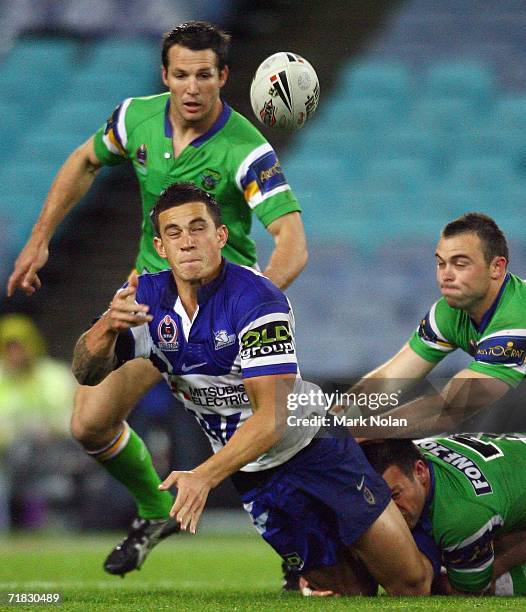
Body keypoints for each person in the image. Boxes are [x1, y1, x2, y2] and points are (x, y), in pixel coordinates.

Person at [7, 21, 308, 575]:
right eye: (180, 75)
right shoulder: (135, 117)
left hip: (220, 310)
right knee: (89, 423)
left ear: (223, 77)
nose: (191, 88)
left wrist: (251, 304)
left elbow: (291, 240)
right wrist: (40, 236)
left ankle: (303, 549)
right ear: (164, 76)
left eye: (204, 76)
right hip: (149, 299)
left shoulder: (246, 150)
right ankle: (154, 509)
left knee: (260, 437)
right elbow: (84, 160)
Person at [72, 182, 431, 596]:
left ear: (221, 236)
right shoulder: (145, 300)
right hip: (254, 475)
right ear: (160, 247)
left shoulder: (258, 300)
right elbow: (86, 372)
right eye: (174, 233)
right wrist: (105, 329)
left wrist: (202, 477)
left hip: (315, 448)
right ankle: (337, 557)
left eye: (197, 228)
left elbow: (271, 419)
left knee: (410, 582)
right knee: (347, 593)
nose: (187, 242)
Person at [341, 212, 526, 438]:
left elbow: (446, 409)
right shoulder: (447, 313)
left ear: (497, 267)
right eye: (441, 263)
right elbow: (388, 380)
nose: (445, 275)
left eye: (460, 264)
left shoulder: (516, 320)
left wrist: (350, 436)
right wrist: (333, 420)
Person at [362, 436, 526, 596]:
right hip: (508, 465)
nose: (392, 511)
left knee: (491, 587)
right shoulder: (410, 454)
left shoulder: (460, 517)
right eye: (382, 500)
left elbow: (467, 592)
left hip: (482, 503)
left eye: (395, 495)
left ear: (420, 472)